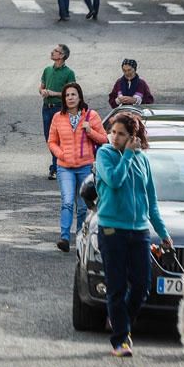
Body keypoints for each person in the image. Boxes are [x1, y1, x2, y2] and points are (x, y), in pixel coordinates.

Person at [94, 112, 173, 357]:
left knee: (141, 286)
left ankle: (119, 319)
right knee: (116, 286)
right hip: (111, 229)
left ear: (133, 137)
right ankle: (120, 340)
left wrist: (163, 233)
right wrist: (126, 154)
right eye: (113, 132)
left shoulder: (143, 160)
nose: (115, 137)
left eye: (121, 134)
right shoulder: (105, 154)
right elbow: (115, 180)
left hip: (139, 231)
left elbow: (152, 202)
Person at [48, 83, 108, 252]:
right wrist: (61, 154)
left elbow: (104, 139)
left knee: (82, 206)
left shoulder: (91, 115)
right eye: (67, 95)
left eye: (73, 95)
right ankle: (64, 238)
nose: (70, 98)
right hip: (65, 167)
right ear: (64, 99)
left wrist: (90, 131)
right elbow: (52, 141)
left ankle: (81, 238)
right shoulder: (58, 117)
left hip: (85, 167)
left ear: (80, 97)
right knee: (67, 201)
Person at [39, 44, 76, 180]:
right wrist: (43, 91)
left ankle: (56, 167)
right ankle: (60, 164)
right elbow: (41, 86)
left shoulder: (69, 73)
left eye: (56, 51)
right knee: (49, 138)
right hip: (46, 107)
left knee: (58, 138)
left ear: (62, 56)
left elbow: (71, 94)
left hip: (59, 108)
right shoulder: (47, 70)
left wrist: (52, 93)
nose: (52, 52)